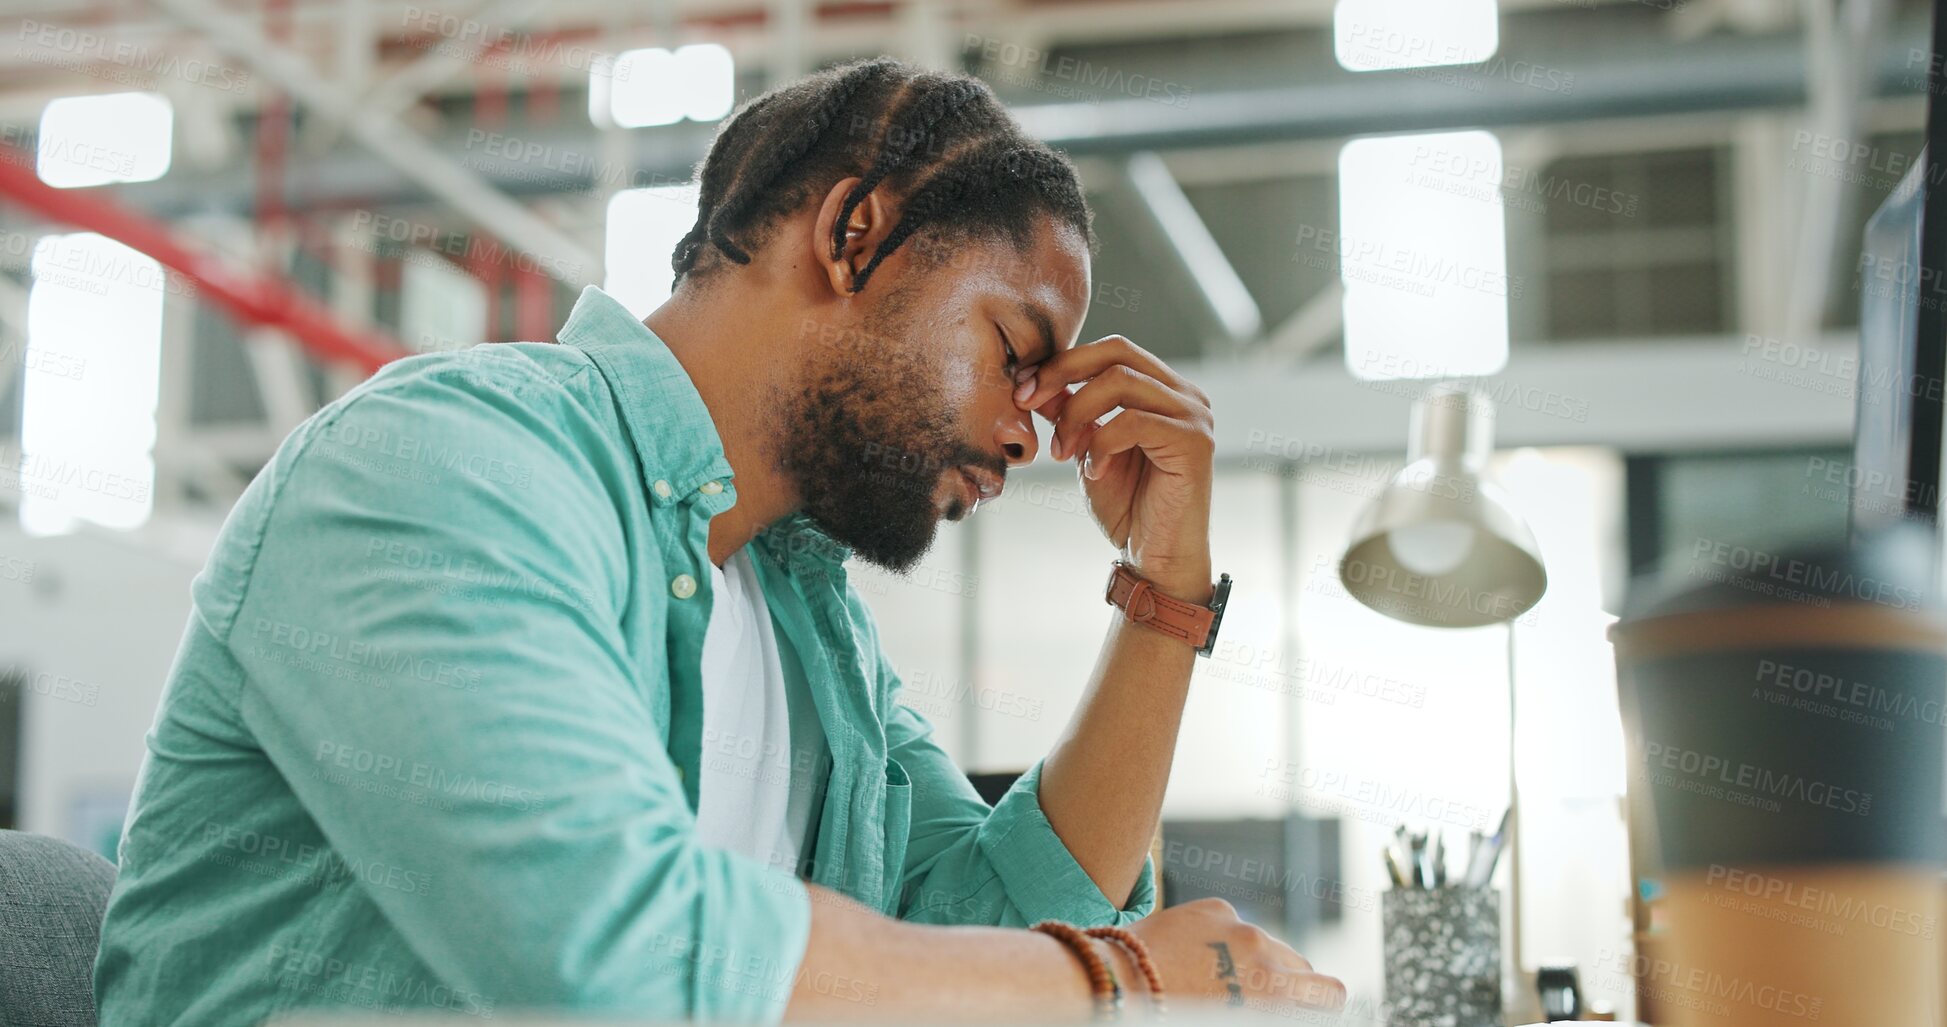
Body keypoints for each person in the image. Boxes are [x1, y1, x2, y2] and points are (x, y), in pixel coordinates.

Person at [94, 57, 1343, 1023]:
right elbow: (611, 948)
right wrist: (1112, 979)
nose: (1033, 434)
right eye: (1016, 352)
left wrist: (1166, 588)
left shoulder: (809, 622)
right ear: (854, 234)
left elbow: (988, 920)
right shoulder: (456, 466)